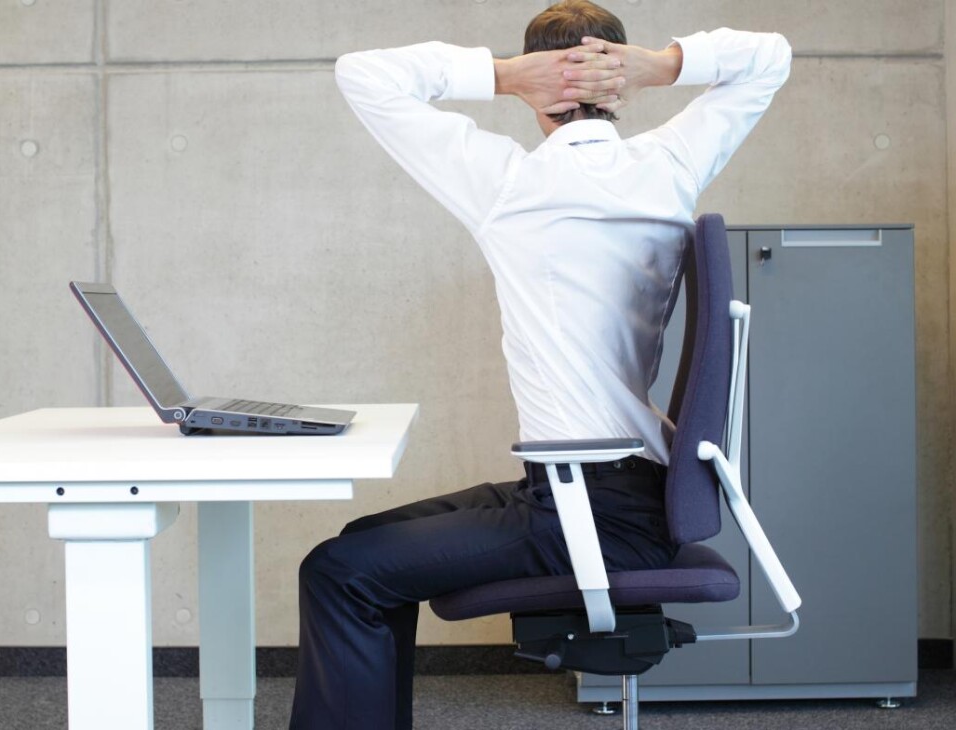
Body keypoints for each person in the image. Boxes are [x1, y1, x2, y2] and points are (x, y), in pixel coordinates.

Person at [290, 2, 791, 728]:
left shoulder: (508, 186)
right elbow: (769, 56)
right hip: (624, 494)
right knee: (362, 547)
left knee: (337, 574)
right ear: (619, 90)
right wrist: (665, 67)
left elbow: (363, 75)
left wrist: (497, 76)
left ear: (536, 87)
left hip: (589, 509)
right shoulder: (670, 165)